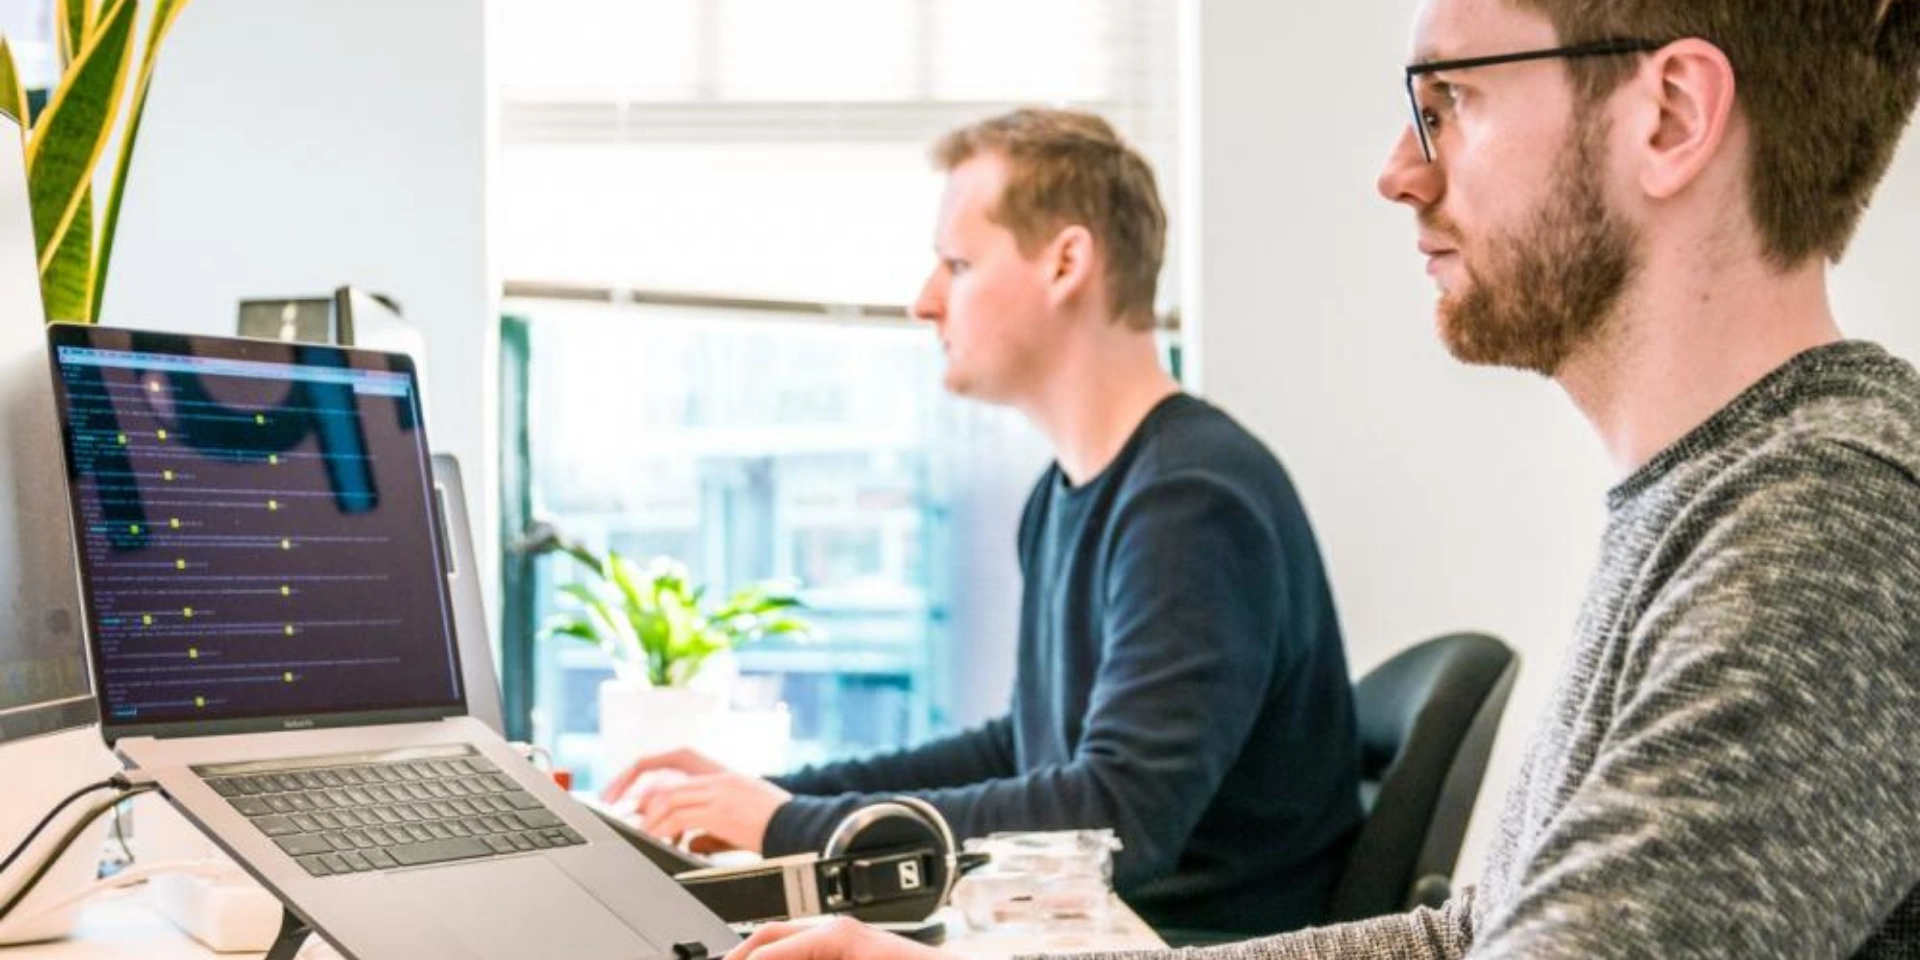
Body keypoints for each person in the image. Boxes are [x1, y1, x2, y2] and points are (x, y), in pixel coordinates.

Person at [722, 0, 1920, 957]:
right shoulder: (1712, 498)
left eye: (1449, 99)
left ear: (1667, 115)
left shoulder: (1829, 527)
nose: (1399, 171)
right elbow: (1466, 936)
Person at [601, 108, 1364, 937]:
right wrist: (781, 796)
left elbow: (1117, 820)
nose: (923, 302)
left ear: (1067, 262)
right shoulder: (1069, 494)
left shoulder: (1192, 501)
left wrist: (787, 827)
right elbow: (1024, 750)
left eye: (957, 264)